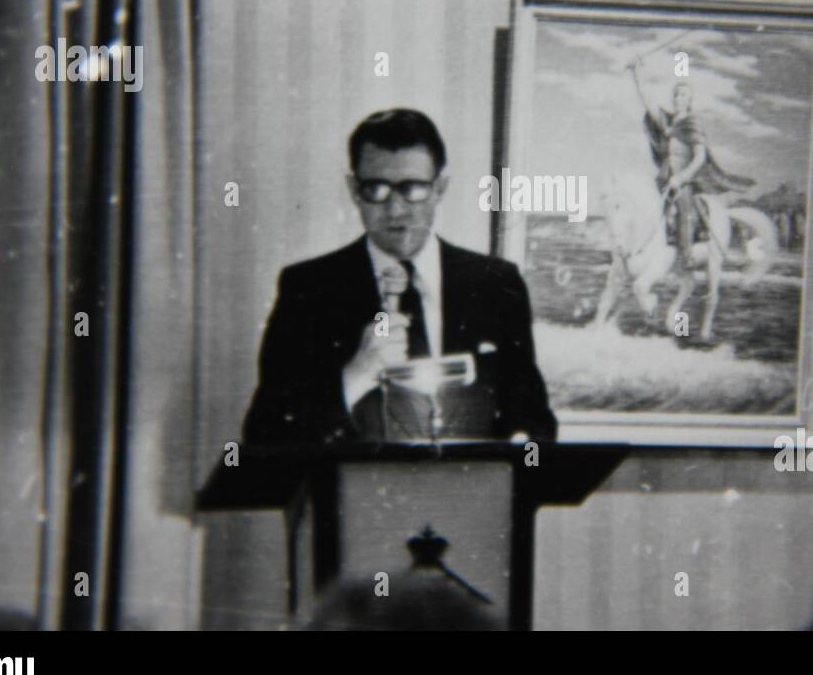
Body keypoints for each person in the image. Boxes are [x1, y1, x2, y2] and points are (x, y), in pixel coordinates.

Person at [242, 108, 556, 446]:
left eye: (413, 189)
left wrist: (517, 452)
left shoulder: (496, 285)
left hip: (467, 496)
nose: (395, 210)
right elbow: (264, 433)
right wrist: (354, 378)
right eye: (376, 189)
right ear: (353, 189)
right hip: (356, 498)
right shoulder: (308, 289)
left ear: (440, 188)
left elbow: (535, 422)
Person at [631, 67, 757, 268]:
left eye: (683, 95)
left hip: (684, 180)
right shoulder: (668, 123)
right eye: (676, 94)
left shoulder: (692, 123)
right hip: (664, 179)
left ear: (689, 101)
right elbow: (646, 99)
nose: (678, 98)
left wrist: (681, 177)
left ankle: (686, 254)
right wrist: (635, 73)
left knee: (683, 208)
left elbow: (700, 157)